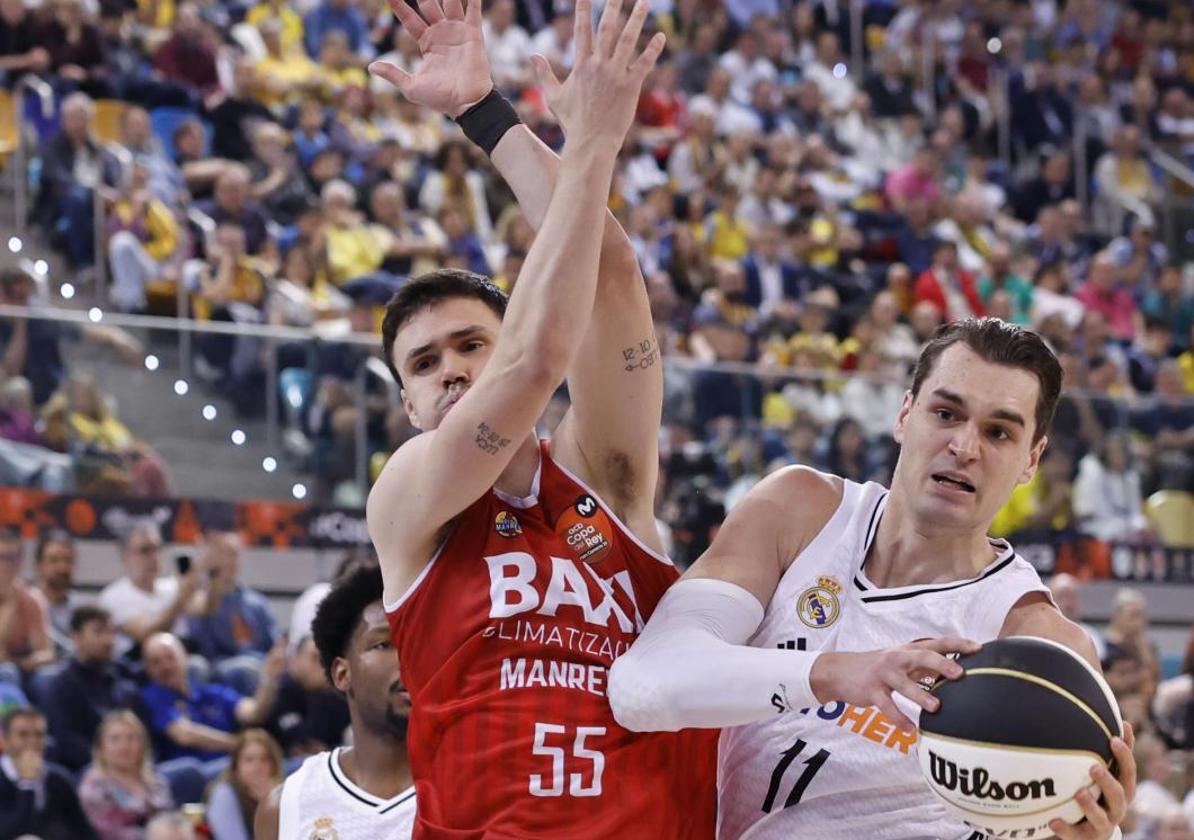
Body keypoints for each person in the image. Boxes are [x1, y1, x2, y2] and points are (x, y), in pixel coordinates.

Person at [365, 0, 715, 835]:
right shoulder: (410, 502)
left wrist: (485, 118)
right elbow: (531, 363)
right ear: (409, 405)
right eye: (424, 364)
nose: (451, 370)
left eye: (467, 346)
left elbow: (612, 273)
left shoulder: (606, 478)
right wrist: (591, 142)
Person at [608, 318, 1137, 840]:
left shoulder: (1040, 643)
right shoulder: (798, 512)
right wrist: (841, 674)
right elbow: (642, 686)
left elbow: (1067, 820)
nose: (965, 447)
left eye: (999, 432)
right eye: (946, 413)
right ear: (905, 414)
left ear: (1032, 459)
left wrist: (1090, 837)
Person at [256, 566, 414, 839]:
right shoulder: (285, 806)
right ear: (342, 674)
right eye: (384, 644)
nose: (410, 659)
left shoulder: (476, 793)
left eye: (419, 641)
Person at [140, 632, 283, 762]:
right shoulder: (152, 697)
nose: (165, 666)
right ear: (147, 668)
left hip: (235, 764)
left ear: (185, 656)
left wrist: (269, 678)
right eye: (155, 662)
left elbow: (254, 713)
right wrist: (239, 746)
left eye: (170, 657)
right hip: (202, 772)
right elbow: (185, 735)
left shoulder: (211, 692)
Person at [44, 605, 139, 773]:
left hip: (136, 768)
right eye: (98, 632)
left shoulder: (122, 675)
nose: (108, 640)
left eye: (112, 632)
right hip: (92, 771)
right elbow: (67, 741)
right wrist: (112, 763)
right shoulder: (63, 685)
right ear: (75, 637)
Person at [99, 522, 202, 659]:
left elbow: (205, 608)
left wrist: (214, 574)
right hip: (142, 665)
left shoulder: (171, 586)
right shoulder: (113, 596)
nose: (153, 557)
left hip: (183, 654)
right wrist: (181, 597)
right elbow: (146, 634)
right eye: (145, 551)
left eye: (156, 549)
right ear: (125, 557)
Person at [0, 707, 99, 840]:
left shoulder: (58, 779)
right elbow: (8, 832)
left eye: (39, 734)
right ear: (5, 740)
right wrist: (27, 784)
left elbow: (83, 829)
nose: (32, 741)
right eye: (23, 734)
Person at [78, 710, 175, 839]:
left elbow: (169, 816)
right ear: (101, 748)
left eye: (131, 738)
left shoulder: (155, 781)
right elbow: (107, 832)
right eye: (115, 739)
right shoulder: (94, 786)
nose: (124, 746)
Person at [205, 729, 284, 840]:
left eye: (264, 759)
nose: (257, 767)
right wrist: (266, 805)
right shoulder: (224, 795)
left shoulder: (283, 792)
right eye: (249, 760)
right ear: (236, 765)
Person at [0, 527, 54, 675]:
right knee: (6, 672)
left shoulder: (32, 599)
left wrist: (24, 663)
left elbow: (46, 652)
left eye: (12, 558)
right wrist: (9, 603)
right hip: (7, 672)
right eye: (1, 558)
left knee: (49, 678)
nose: (6, 565)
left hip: (23, 669)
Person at [30, 529, 84, 655]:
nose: (62, 568)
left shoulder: (82, 608)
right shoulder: (26, 604)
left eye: (68, 560)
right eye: (54, 560)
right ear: (39, 565)